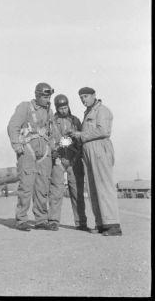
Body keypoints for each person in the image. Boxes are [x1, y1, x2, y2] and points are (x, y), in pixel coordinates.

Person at [69, 87, 122, 236]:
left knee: (104, 186)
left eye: (86, 96)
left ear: (94, 96)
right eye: (81, 98)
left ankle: (113, 225)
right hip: (89, 151)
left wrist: (81, 134)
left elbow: (103, 131)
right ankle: (102, 224)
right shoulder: (88, 113)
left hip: (100, 150)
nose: (83, 100)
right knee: (93, 188)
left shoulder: (102, 110)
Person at [7, 82, 54, 231]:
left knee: (42, 187)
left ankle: (41, 220)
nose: (48, 100)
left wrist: (53, 147)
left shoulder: (49, 111)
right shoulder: (25, 107)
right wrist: (16, 144)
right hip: (27, 150)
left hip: (44, 152)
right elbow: (12, 126)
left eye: (49, 97)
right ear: (38, 95)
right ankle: (21, 219)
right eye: (46, 97)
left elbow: (51, 131)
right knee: (26, 186)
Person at [47, 94, 88, 231]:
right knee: (56, 191)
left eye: (65, 107)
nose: (64, 110)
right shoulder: (52, 121)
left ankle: (81, 222)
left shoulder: (76, 120)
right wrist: (55, 150)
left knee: (77, 192)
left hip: (74, 159)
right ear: (57, 108)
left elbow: (82, 138)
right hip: (59, 160)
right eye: (61, 108)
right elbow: (52, 139)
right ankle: (53, 220)